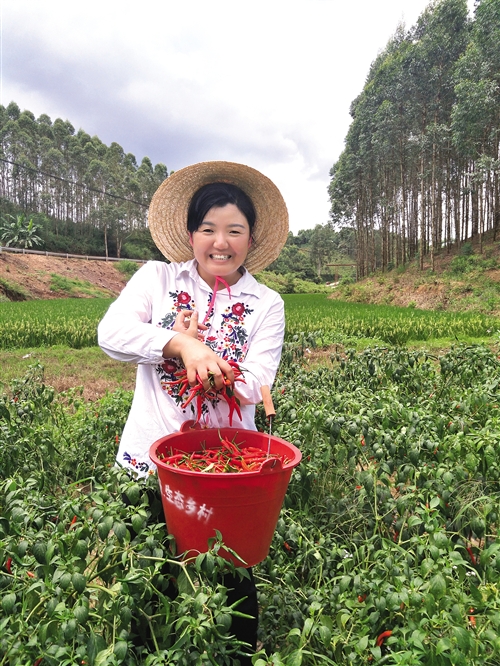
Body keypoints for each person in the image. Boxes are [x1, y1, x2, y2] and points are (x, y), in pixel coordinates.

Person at [97, 160, 289, 662]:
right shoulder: (158, 279)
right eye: (208, 229)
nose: (220, 242)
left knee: (230, 577)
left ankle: (235, 656)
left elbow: (258, 380)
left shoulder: (266, 303)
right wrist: (180, 343)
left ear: (250, 238)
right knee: (146, 576)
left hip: (225, 467)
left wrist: (218, 367)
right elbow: (111, 335)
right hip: (149, 458)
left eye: (234, 230)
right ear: (190, 233)